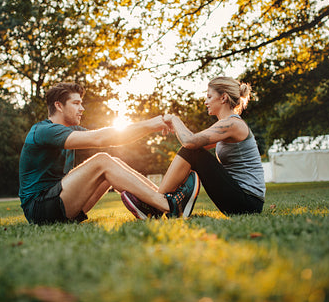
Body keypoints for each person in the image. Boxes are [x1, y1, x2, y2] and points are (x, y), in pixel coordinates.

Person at [18, 82, 200, 224]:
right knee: (102, 161)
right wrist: (150, 124)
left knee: (111, 161)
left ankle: (158, 201)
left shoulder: (71, 131)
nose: (82, 108)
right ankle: (169, 205)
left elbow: (115, 138)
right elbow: (100, 139)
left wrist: (152, 126)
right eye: (76, 103)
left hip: (60, 204)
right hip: (39, 208)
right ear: (58, 105)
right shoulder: (43, 131)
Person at [121, 76, 265, 218]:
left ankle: (155, 204)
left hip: (248, 202)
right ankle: (167, 202)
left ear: (223, 98)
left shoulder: (232, 124)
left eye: (209, 97)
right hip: (243, 200)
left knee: (192, 151)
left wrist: (174, 119)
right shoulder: (227, 125)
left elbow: (190, 142)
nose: (205, 101)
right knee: (192, 152)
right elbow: (192, 146)